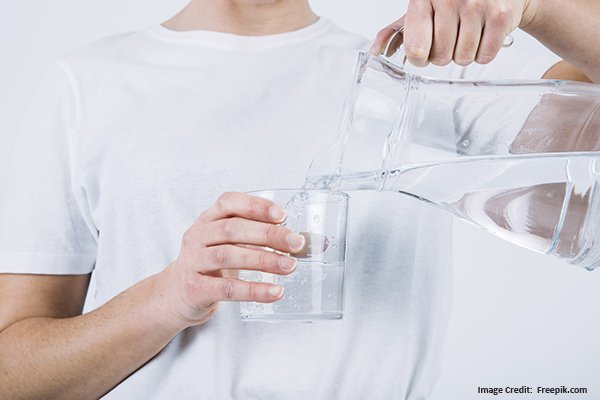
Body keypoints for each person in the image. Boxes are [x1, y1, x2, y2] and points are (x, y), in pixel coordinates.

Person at [0, 0, 597, 399]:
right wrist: (170, 297)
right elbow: (13, 375)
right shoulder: (87, 83)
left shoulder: (421, 73)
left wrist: (539, 6)